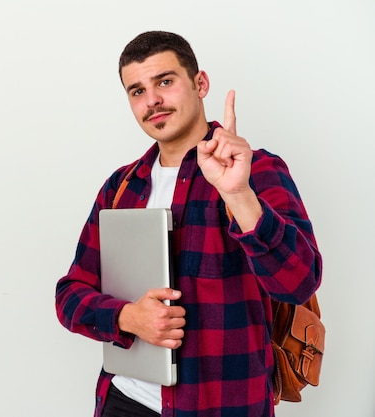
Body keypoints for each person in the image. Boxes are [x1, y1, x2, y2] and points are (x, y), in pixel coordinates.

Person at [54, 31, 322, 417]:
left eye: (164, 81)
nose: (152, 101)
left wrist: (239, 196)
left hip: (220, 406)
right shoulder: (121, 187)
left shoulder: (257, 171)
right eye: (137, 91)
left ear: (200, 84)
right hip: (124, 401)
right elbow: (70, 294)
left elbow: (298, 282)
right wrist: (128, 317)